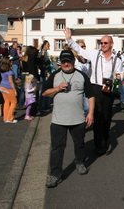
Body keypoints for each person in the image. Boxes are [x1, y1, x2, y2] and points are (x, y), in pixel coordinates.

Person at [64, 28, 123, 155]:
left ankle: (104, 141)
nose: (102, 45)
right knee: (97, 116)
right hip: (95, 87)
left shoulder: (117, 60)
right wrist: (69, 39)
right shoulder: (94, 54)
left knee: (106, 117)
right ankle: (98, 145)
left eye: (105, 43)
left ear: (111, 44)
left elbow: (120, 73)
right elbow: (80, 50)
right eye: (101, 43)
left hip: (109, 88)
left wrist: (118, 78)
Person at [42, 50, 95, 188]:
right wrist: (57, 88)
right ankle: (55, 174)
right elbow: (44, 93)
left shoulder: (82, 75)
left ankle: (79, 162)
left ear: (73, 61)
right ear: (60, 62)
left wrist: (90, 113)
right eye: (63, 61)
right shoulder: (54, 75)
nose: (66, 64)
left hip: (77, 119)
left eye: (69, 61)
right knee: (57, 148)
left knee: (79, 144)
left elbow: (91, 96)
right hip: (58, 120)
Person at [0, 57, 18, 123]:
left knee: (6, 101)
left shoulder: (2, 70)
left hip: (2, 87)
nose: (12, 62)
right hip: (9, 88)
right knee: (14, 102)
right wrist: (15, 90)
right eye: (11, 61)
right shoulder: (10, 72)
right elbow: (11, 82)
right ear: (8, 63)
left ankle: (5, 118)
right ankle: (10, 118)